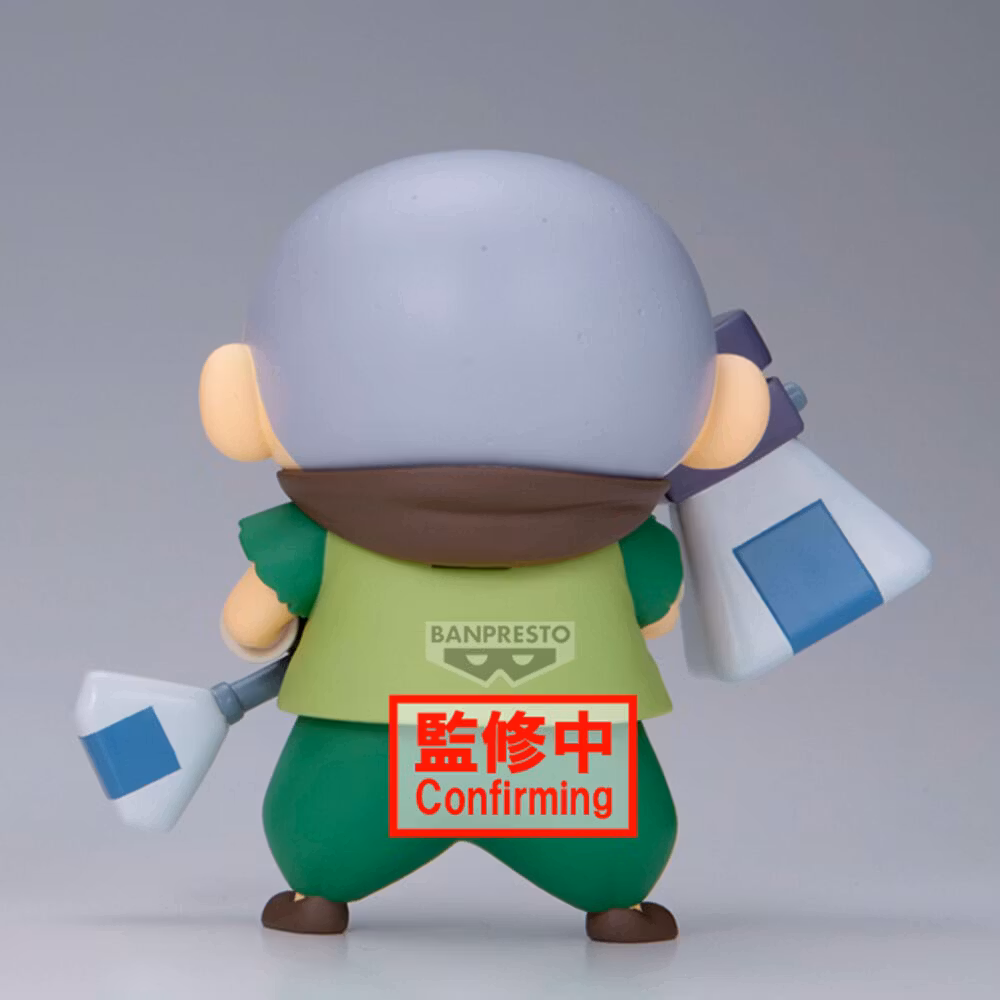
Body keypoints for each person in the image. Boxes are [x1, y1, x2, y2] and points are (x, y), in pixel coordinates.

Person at [198, 150, 770, 943]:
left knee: (323, 833)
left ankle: (319, 893)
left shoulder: (321, 543)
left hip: (368, 754)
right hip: (572, 756)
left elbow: (248, 624)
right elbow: (658, 612)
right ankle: (616, 899)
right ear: (722, 404)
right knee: (616, 853)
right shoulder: (625, 547)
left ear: (238, 396)